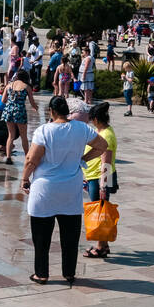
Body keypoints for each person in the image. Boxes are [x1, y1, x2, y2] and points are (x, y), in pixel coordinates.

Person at [21, 95, 112, 285]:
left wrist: (24, 178)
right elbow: (102, 146)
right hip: (71, 188)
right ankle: (69, 272)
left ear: (52, 112)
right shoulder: (81, 128)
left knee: (41, 237)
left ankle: (41, 273)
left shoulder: (44, 130)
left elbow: (32, 159)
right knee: (70, 236)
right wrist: (83, 158)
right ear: (67, 111)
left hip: (45, 189)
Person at [82, 101, 118, 258]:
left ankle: (101, 247)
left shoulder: (106, 136)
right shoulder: (103, 132)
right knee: (100, 210)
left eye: (91, 119)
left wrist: (103, 187)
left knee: (100, 212)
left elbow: (106, 163)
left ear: (96, 119)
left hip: (101, 177)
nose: (90, 122)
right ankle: (104, 244)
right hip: (95, 176)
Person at [0, 69, 38, 164]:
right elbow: (32, 102)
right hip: (20, 111)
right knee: (23, 136)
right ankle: (27, 157)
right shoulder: (26, 87)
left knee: (11, 135)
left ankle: (8, 157)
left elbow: (3, 101)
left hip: (8, 111)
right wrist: (36, 108)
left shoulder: (9, 85)